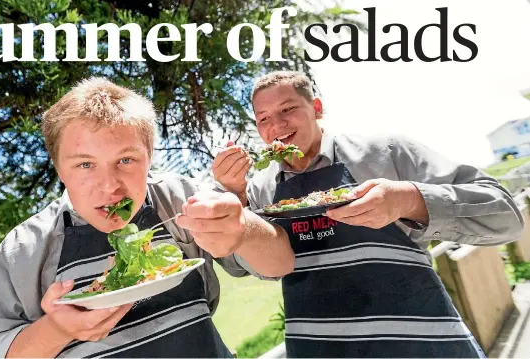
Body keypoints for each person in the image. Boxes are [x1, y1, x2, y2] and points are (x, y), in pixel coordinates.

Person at [0, 77, 294, 358]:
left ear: (149, 157)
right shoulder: (22, 251)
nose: (110, 186)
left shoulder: (178, 198)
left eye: (126, 160)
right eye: (85, 164)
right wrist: (56, 329)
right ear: (59, 167)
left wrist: (244, 230)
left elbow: (280, 265)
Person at [213, 71, 524, 358]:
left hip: (425, 346)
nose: (276, 126)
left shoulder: (388, 152)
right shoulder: (258, 190)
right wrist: (235, 197)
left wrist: (409, 200)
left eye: (287, 109)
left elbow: (506, 215)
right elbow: (240, 269)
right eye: (264, 118)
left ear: (317, 107)